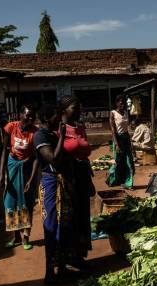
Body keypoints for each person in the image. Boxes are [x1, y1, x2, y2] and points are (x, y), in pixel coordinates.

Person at [34, 105, 71, 283]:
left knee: (62, 225)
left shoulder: (51, 134)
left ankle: (61, 268)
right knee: (51, 226)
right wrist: (62, 136)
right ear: (48, 118)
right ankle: (50, 273)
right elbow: (53, 158)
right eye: (57, 116)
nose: (59, 119)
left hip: (58, 182)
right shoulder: (40, 135)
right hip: (49, 183)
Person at [57, 96, 93, 271]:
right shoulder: (59, 129)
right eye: (74, 108)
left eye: (79, 108)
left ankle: (80, 254)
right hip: (68, 177)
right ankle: (68, 256)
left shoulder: (80, 127)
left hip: (83, 175)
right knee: (70, 217)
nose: (78, 111)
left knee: (83, 215)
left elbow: (85, 152)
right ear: (64, 110)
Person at [0, 105, 39, 250]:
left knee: (27, 202)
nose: (30, 118)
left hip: (27, 170)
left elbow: (36, 158)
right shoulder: (11, 127)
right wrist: (1, 173)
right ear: (20, 115)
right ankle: (15, 237)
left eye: (32, 116)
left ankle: (26, 237)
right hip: (11, 168)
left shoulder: (35, 132)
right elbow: (4, 150)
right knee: (12, 201)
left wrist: (31, 179)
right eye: (27, 115)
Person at [106, 95, 134, 190]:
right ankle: (113, 179)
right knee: (118, 162)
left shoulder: (126, 112)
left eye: (124, 102)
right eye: (121, 102)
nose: (123, 104)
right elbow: (113, 130)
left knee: (129, 162)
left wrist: (131, 143)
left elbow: (127, 130)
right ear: (117, 103)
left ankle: (128, 183)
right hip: (118, 139)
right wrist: (117, 144)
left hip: (126, 139)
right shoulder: (113, 113)